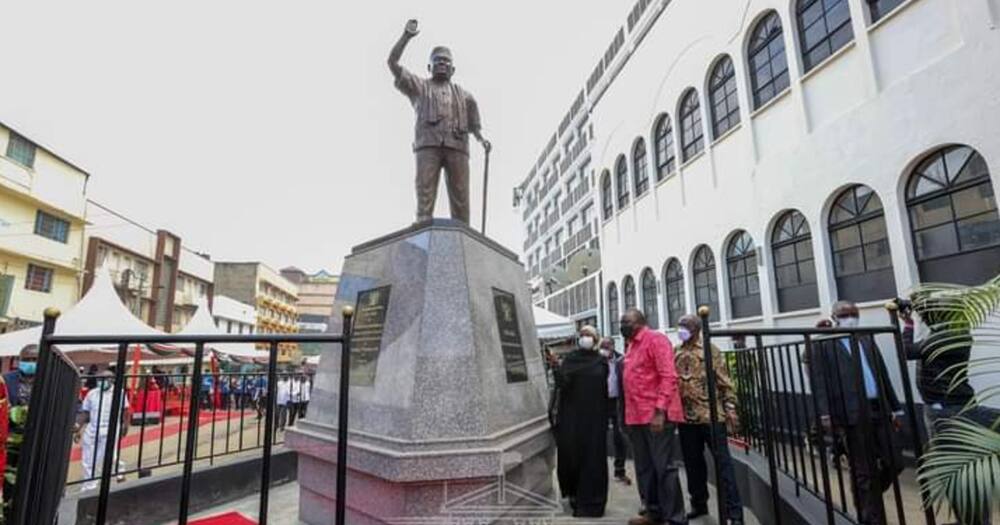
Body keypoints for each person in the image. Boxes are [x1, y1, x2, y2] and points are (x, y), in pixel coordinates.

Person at [901, 295, 996, 524]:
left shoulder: (948, 336)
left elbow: (906, 351)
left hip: (948, 412)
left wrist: (907, 324)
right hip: (945, 409)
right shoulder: (951, 331)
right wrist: (913, 307)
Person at [808, 301, 903, 525]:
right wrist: (824, 414)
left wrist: (896, 407)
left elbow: (883, 374)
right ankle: (871, 518)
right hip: (851, 413)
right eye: (845, 314)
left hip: (879, 407)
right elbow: (818, 381)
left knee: (895, 462)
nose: (851, 317)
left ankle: (866, 498)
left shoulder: (866, 339)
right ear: (834, 317)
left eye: (854, 314)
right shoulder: (824, 344)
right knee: (864, 470)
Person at [387, 19, 490, 224]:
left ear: (452, 69)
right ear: (429, 66)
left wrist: (481, 140)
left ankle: (463, 236)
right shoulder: (418, 87)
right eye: (438, 60)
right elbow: (393, 63)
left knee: (461, 202)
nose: (442, 63)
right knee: (424, 198)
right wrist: (407, 36)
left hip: (457, 146)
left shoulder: (466, 96)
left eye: (446, 61)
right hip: (428, 145)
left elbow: (474, 125)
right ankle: (422, 227)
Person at [674, 315, 744, 525]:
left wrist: (730, 406)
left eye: (685, 326)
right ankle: (699, 504)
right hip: (686, 419)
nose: (681, 329)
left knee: (724, 466)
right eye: (680, 326)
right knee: (693, 465)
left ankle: (734, 514)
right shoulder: (676, 350)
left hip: (711, 416)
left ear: (696, 328)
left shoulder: (709, 349)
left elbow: (724, 380)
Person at [620, 308, 687, 525]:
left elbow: (668, 376)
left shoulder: (655, 339)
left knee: (664, 468)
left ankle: (675, 518)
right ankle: (653, 511)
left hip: (656, 416)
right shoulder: (631, 346)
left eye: (626, 321)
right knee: (644, 468)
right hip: (636, 416)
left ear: (640, 322)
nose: (622, 325)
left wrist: (660, 411)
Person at [552, 325, 609, 518]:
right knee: (572, 456)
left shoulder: (601, 362)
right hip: (572, 418)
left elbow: (604, 389)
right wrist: (556, 368)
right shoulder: (570, 359)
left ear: (596, 339)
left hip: (595, 419)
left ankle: (592, 502)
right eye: (583, 334)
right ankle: (574, 494)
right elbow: (563, 384)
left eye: (589, 335)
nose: (585, 338)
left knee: (593, 459)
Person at [76, 370, 130, 491]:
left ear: (111, 380)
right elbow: (85, 412)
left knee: (105, 457)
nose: (101, 382)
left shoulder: (119, 393)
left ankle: (119, 469)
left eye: (104, 379)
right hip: (92, 428)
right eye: (99, 379)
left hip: (110, 428)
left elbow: (126, 410)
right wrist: (78, 427)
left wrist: (125, 425)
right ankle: (89, 485)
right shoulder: (92, 393)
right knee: (88, 458)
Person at [2, 350, 36, 519]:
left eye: (34, 359)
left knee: (32, 476)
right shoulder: (6, 379)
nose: (30, 363)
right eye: (27, 359)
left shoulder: (50, 379)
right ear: (19, 360)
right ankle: (9, 509)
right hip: (10, 437)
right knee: (8, 476)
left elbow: (75, 406)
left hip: (37, 438)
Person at [599, 337, 631, 486]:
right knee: (599, 438)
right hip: (602, 402)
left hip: (618, 402)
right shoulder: (597, 361)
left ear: (612, 346)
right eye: (602, 346)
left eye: (607, 346)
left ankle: (620, 470)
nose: (605, 348)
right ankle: (600, 472)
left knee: (620, 437)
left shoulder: (621, 360)